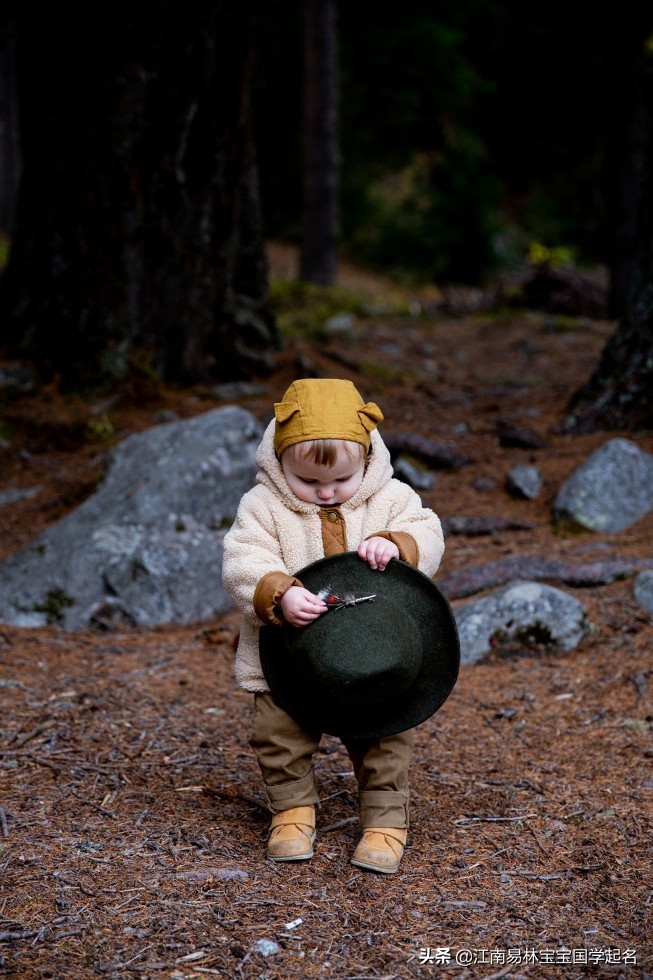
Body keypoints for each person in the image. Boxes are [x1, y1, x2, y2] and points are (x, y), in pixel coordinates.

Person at [222, 378, 445, 873]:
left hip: (375, 655)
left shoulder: (391, 498)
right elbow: (242, 558)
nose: (326, 492)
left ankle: (385, 819)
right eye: (308, 482)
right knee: (279, 735)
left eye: (341, 481)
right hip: (289, 657)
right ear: (278, 463)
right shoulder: (263, 506)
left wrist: (399, 543)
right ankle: (293, 811)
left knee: (385, 737)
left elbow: (428, 533)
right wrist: (280, 591)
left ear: (367, 459)